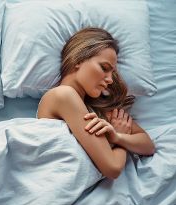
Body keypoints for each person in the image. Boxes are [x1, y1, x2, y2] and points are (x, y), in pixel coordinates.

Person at [37, 27, 155, 179]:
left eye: (112, 73)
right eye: (104, 68)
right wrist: (121, 141)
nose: (110, 79)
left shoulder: (96, 108)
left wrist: (118, 137)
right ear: (78, 60)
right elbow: (113, 169)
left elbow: (148, 146)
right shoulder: (62, 95)